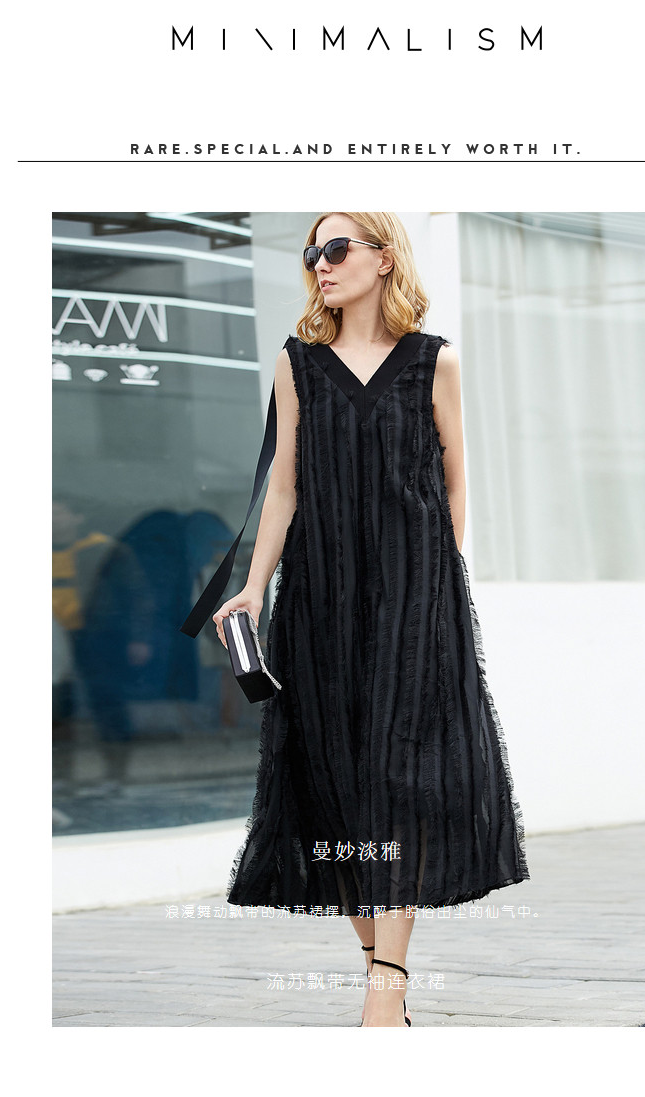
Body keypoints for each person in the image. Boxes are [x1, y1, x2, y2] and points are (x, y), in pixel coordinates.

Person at [212, 212, 530, 1027]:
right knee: (332, 786)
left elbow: (455, 480)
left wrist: (438, 578)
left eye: (336, 248)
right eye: (311, 252)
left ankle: (383, 998)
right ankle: (382, 971)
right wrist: (253, 587)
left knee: (399, 781)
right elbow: (284, 488)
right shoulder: (297, 364)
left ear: (385, 259)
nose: (320, 263)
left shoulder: (434, 360)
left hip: (413, 596)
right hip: (318, 596)